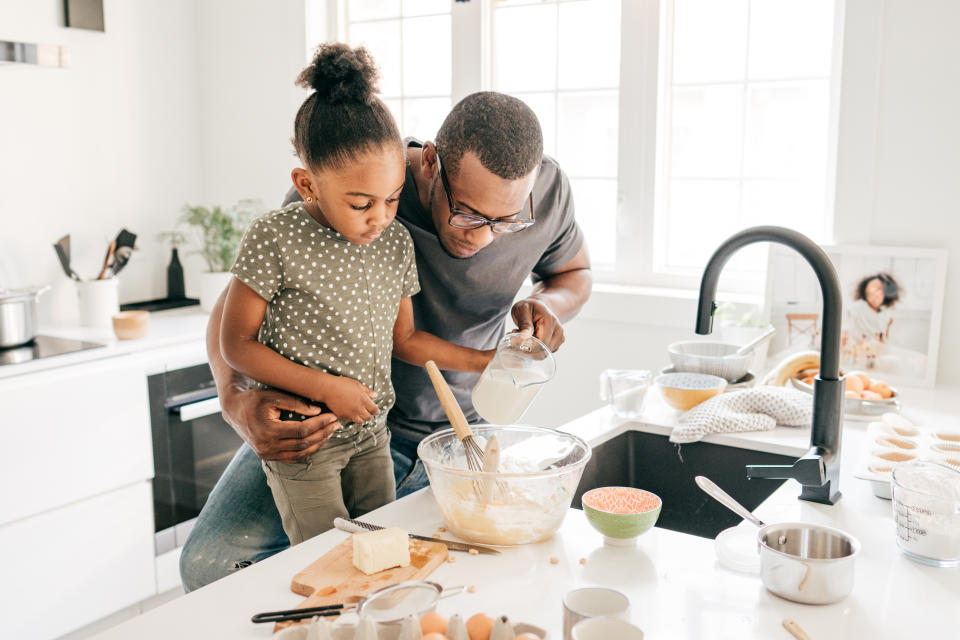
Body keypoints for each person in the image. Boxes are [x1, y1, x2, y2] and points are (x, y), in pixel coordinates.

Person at [180, 90, 592, 591]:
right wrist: (234, 401)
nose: (482, 237)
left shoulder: (547, 191)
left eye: (505, 223)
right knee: (210, 567)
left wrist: (549, 304)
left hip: (460, 435)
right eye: (466, 213)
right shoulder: (357, 178)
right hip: (322, 424)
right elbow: (232, 317)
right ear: (432, 164)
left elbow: (573, 273)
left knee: (437, 578)